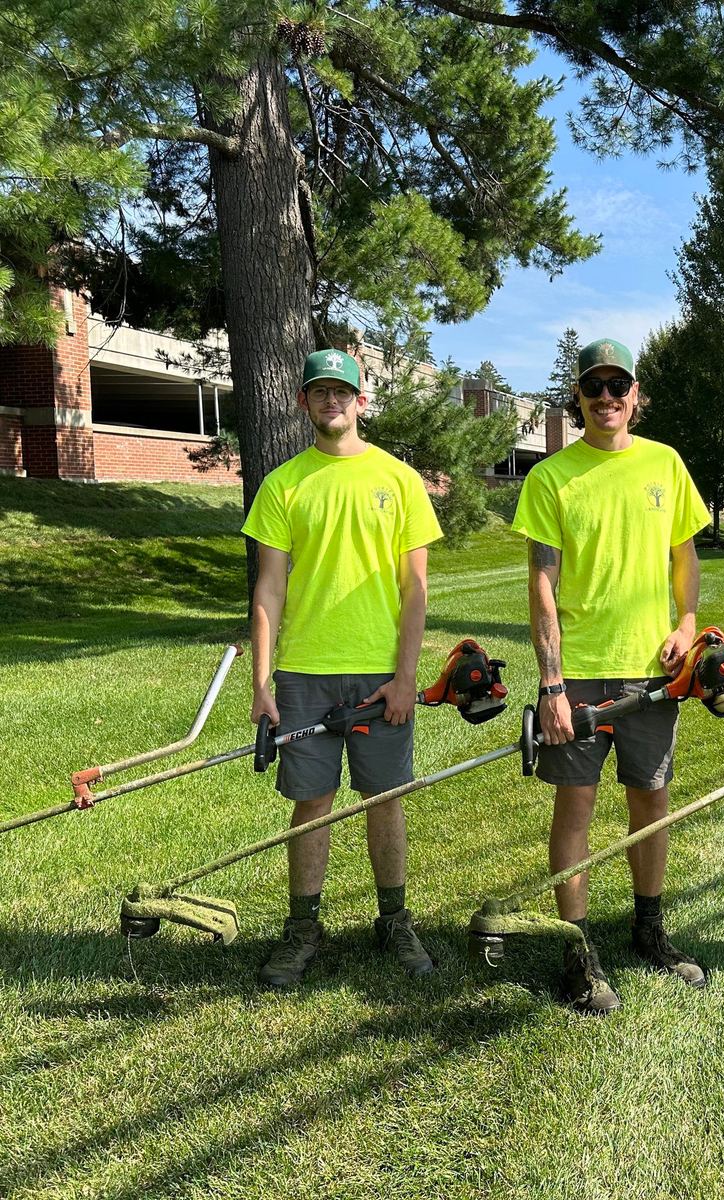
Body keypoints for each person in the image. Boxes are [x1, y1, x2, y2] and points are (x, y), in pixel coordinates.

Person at [511, 337, 711, 1014]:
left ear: (635, 396)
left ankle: (649, 930)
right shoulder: (551, 478)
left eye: (617, 387)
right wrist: (551, 683)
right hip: (581, 676)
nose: (605, 399)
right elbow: (542, 582)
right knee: (577, 808)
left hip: (651, 674)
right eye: (592, 388)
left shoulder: (666, 464)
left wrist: (686, 623)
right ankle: (578, 950)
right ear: (578, 398)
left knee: (649, 802)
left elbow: (685, 558)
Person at [242, 348, 443, 988]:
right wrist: (263, 684)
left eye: (342, 391)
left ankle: (394, 919)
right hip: (304, 673)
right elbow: (269, 590)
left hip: (381, 670)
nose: (332, 400)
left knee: (385, 799)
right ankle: (303, 928)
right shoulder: (284, 484)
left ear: (361, 401)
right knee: (311, 802)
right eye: (319, 391)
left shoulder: (400, 480)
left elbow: (416, 589)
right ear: (303, 402)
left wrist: (407, 675)